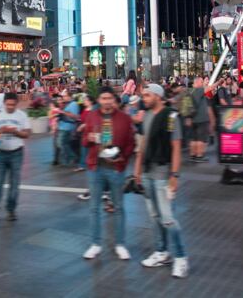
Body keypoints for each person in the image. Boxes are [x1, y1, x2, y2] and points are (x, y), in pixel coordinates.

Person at [134, 84, 187, 276]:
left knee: (168, 218)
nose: (144, 98)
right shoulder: (147, 116)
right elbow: (143, 144)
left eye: (147, 95)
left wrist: (175, 175)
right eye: (143, 95)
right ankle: (161, 251)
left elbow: (176, 147)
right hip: (148, 173)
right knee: (155, 217)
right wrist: (137, 171)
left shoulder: (171, 117)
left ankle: (181, 257)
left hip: (163, 174)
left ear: (158, 96)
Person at [81, 87, 135, 261]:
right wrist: (88, 139)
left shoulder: (124, 119)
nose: (106, 101)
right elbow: (84, 141)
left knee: (119, 207)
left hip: (116, 169)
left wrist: (122, 159)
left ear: (114, 100)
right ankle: (95, 244)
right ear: (99, 100)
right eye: (103, 98)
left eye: (109, 98)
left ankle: (120, 244)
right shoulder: (92, 116)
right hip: (96, 167)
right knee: (94, 208)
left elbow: (130, 143)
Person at [0, 93, 30, 222]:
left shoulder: (22, 115)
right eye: (8, 104)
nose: (10, 107)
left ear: (16, 104)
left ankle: (11, 210)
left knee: (14, 184)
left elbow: (27, 134)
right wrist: (0, 131)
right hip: (1, 153)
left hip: (16, 153)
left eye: (13, 105)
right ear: (4, 103)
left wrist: (16, 132)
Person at [186, 77, 213, 162]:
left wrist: (188, 117)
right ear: (197, 82)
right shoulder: (199, 90)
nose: (202, 83)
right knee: (201, 138)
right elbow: (210, 88)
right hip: (201, 118)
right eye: (201, 82)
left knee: (194, 138)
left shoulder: (190, 91)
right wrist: (219, 82)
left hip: (192, 118)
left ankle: (192, 155)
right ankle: (199, 156)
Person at [55, 92, 80, 166]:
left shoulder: (74, 104)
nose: (64, 98)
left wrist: (63, 112)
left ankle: (73, 157)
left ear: (70, 96)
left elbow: (75, 116)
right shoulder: (67, 104)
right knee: (64, 144)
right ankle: (69, 159)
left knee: (62, 144)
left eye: (65, 96)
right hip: (63, 126)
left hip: (67, 127)